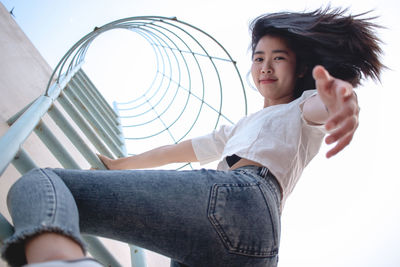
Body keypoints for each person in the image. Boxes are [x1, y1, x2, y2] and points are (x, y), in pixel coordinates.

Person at [1, 7, 383, 267]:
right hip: (253, 249)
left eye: (278, 57)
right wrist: (121, 164)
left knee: (42, 182)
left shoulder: (302, 106)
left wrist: (344, 103)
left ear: (299, 69)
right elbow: (177, 150)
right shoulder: (238, 128)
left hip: (244, 199)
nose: (265, 66)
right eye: (258, 58)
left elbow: (328, 105)